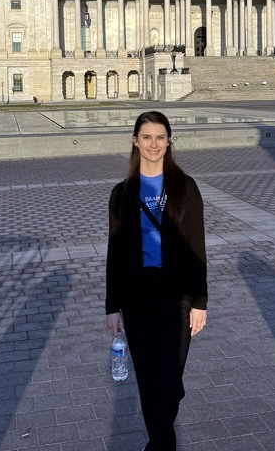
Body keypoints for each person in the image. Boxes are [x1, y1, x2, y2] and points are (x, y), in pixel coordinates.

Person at [106, 110, 207, 451]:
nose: (153, 144)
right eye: (146, 137)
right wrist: (112, 307)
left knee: (167, 380)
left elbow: (197, 248)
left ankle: (160, 437)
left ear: (169, 141)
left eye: (160, 137)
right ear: (135, 141)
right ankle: (161, 444)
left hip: (177, 298)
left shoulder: (185, 187)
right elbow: (114, 254)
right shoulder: (121, 193)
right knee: (149, 383)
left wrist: (200, 302)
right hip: (136, 299)